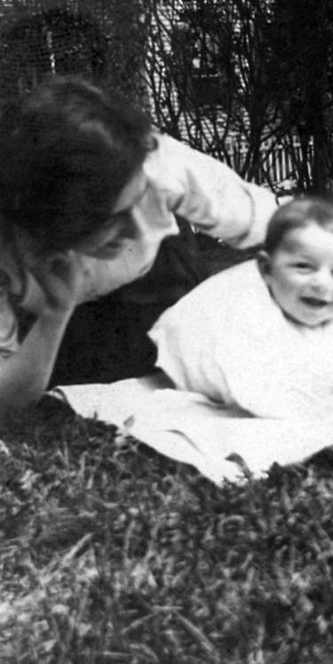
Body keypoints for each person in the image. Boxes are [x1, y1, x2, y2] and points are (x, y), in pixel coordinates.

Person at [0, 75, 279, 412]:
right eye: (112, 218)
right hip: (64, 325)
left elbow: (271, 224)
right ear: (55, 217)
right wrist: (55, 312)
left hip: (160, 282)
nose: (136, 230)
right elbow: (6, 397)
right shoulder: (8, 244)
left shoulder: (157, 161)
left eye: (140, 200)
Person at [150, 197, 333, 435]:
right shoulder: (247, 319)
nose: (321, 283)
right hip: (196, 341)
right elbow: (255, 390)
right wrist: (322, 409)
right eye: (303, 267)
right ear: (267, 270)